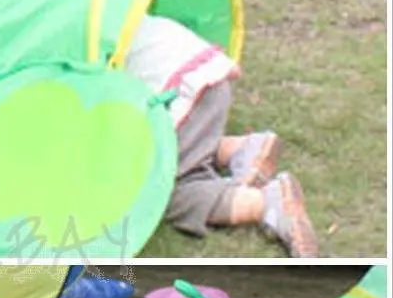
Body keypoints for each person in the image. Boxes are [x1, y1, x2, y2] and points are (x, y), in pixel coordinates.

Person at [125, 14, 318, 258]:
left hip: (182, 92)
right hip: (204, 70)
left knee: (164, 189)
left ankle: (263, 204)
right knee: (170, 143)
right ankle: (242, 148)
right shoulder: (109, 7)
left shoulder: (75, 46)